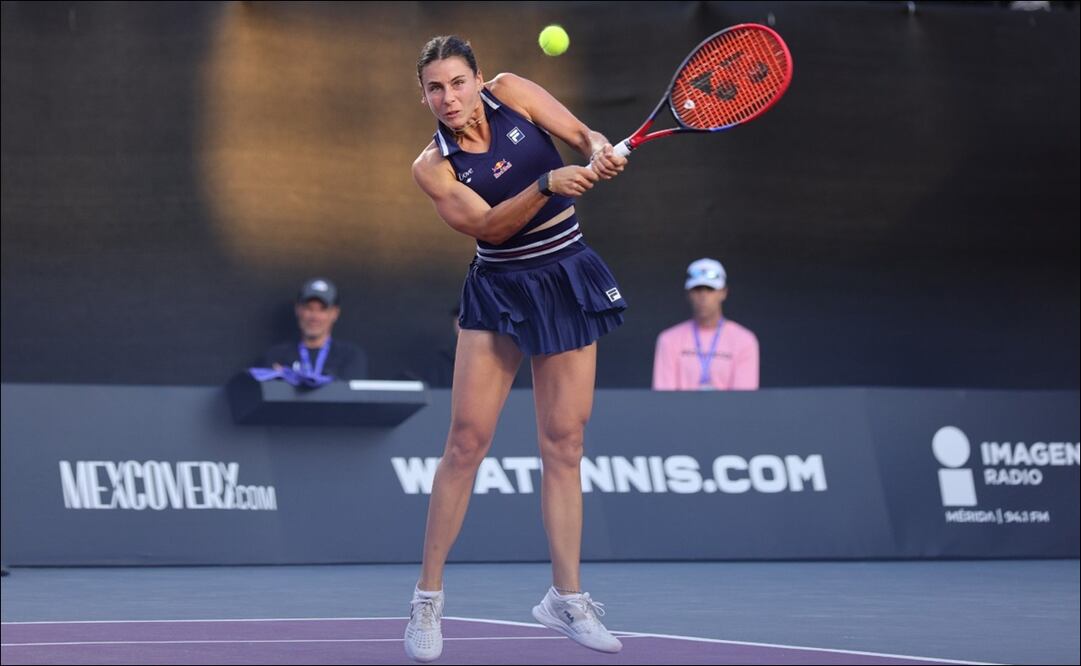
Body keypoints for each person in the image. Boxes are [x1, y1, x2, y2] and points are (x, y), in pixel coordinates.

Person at [403, 35, 628, 662]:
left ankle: (566, 597)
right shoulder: (433, 166)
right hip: (500, 289)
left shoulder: (513, 92)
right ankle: (427, 599)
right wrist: (549, 183)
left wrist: (601, 151)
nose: (448, 98)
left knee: (565, 443)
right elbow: (488, 226)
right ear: (422, 95)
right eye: (434, 88)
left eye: (456, 82)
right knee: (466, 443)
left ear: (478, 79)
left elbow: (584, 136)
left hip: (565, 273)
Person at [652, 258, 760, 391]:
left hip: (728, 412)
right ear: (689, 294)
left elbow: (744, 401)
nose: (703, 296)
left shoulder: (744, 340)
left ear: (723, 292)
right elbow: (663, 400)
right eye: (697, 289)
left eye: (710, 289)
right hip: (681, 412)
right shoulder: (668, 340)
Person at [262, 278, 368, 381]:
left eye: (322, 309)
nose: (314, 317)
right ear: (298, 310)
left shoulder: (349, 356)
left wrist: (292, 377)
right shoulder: (277, 355)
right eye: (309, 308)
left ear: (335, 313)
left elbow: (349, 395)